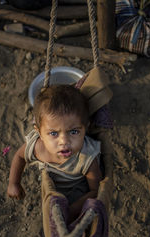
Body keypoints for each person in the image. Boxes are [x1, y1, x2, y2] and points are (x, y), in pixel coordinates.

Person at [7, 84, 103, 222]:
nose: (64, 141)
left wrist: (74, 209)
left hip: (78, 189)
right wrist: (14, 183)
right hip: (53, 188)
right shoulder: (38, 147)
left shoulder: (86, 157)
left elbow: (95, 191)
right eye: (53, 133)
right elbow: (19, 156)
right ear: (39, 133)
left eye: (74, 131)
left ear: (85, 128)